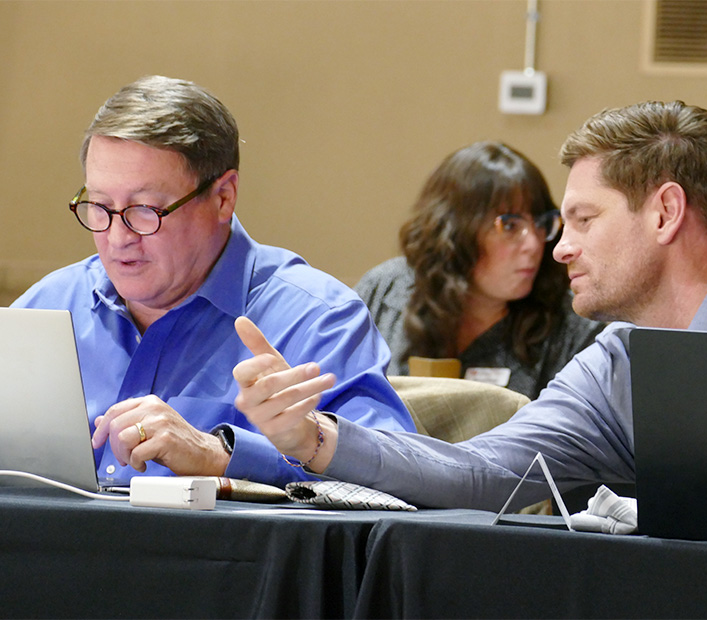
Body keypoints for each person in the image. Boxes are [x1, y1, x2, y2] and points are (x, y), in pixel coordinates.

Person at [232, 100, 707, 510]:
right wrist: (313, 439)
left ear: (666, 213)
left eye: (584, 220)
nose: (560, 249)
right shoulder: (616, 366)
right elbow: (479, 473)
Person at [12, 75, 415, 487]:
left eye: (146, 209)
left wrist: (220, 457)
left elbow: (397, 485)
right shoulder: (49, 305)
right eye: (99, 206)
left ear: (223, 197)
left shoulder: (318, 320)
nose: (117, 237)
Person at [354, 142, 603, 399]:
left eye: (540, 223)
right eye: (510, 226)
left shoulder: (573, 324)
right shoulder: (385, 290)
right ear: (454, 231)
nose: (534, 244)